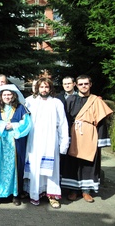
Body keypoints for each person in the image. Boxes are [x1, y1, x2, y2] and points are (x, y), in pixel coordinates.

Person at [61, 75, 113, 203]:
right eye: (80, 84)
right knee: (72, 162)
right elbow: (64, 120)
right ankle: (73, 190)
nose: (83, 86)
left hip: (90, 135)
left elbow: (101, 122)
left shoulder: (96, 101)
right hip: (74, 134)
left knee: (89, 163)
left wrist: (100, 140)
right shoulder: (70, 100)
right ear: (76, 85)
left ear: (90, 84)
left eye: (86, 84)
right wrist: (64, 137)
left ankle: (86, 191)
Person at [24, 78, 69, 209]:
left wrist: (64, 143)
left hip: (50, 139)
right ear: (37, 88)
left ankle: (52, 195)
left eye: (46, 87)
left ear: (50, 88)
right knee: (35, 167)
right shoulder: (29, 101)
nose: (44, 89)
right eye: (41, 87)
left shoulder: (56, 103)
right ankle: (34, 193)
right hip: (34, 139)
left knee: (51, 168)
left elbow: (62, 124)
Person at [0, 84, 31, 206]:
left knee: (15, 168)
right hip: (0, 143)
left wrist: (14, 126)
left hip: (15, 142)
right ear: (1, 96)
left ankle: (15, 194)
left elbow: (27, 124)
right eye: (4, 94)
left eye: (9, 94)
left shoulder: (21, 108)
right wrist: (2, 126)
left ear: (14, 95)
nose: (7, 96)